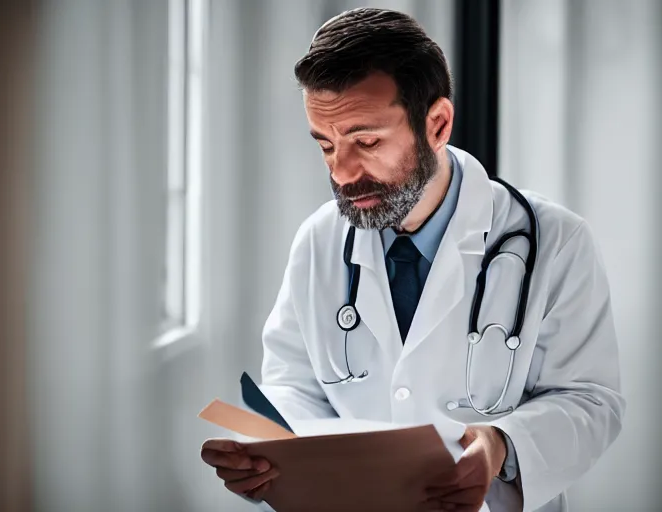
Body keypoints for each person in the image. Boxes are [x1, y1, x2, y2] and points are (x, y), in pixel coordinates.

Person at [200, 7, 625, 511]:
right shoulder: (319, 239)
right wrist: (270, 451)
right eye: (326, 145)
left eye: (366, 141)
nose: (341, 173)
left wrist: (502, 444)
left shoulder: (555, 241)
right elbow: (294, 384)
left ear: (438, 124)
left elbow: (591, 403)